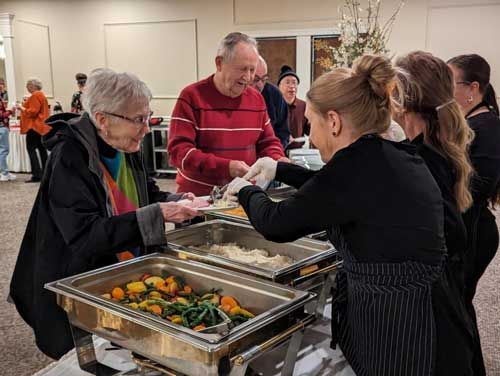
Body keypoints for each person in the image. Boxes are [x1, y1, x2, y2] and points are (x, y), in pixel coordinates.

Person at [225, 55, 476, 375]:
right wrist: (280, 169)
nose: (311, 136)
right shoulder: (381, 154)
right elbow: (331, 191)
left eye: (311, 124)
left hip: (403, 322)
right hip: (419, 306)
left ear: (333, 121)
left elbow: (276, 222)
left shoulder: (356, 165)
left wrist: (246, 191)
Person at [9, 68, 201, 360]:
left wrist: (179, 200)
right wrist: (158, 213)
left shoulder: (125, 144)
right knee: (87, 359)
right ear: (102, 119)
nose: (146, 128)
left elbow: (146, 195)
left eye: (147, 117)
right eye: (139, 119)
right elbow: (85, 236)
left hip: (119, 266)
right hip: (76, 279)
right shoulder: (69, 156)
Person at [395, 51, 484, 374]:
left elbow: (451, 231)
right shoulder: (432, 144)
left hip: (435, 295)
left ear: (401, 100)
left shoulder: (419, 159)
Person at [168, 32, 285, 196]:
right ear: (219, 63)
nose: (248, 77)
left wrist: (279, 160)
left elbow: (268, 141)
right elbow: (179, 152)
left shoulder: (257, 99)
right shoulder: (191, 97)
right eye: (242, 69)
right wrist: (226, 167)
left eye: (252, 70)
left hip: (242, 196)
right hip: (198, 199)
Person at [448, 53, 500, 370]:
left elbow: (477, 186)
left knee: (459, 308)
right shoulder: (470, 122)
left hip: (475, 233)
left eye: (450, 83)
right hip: (466, 228)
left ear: (472, 88)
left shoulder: (488, 126)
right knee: (458, 307)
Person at [250, 56, 290, 149]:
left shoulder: (274, 94)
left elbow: (283, 133)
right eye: (255, 80)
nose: (260, 85)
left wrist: (275, 153)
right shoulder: (234, 94)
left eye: (264, 79)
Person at [16, 78, 50, 182]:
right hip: (41, 126)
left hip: (34, 126)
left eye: (27, 85)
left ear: (32, 86)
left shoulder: (35, 95)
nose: (26, 87)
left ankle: (37, 175)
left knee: (31, 149)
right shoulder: (42, 95)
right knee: (42, 149)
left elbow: (33, 112)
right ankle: (46, 172)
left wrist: (21, 107)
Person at [277, 65, 310, 149]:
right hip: (278, 152)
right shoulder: (274, 106)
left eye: (294, 82)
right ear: (279, 86)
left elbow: (310, 131)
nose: (292, 86)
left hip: (298, 153)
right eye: (287, 82)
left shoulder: (304, 106)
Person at [0, 98, 14, 181]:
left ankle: (4, 172)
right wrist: (10, 111)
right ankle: (4, 173)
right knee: (3, 151)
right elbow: (1, 115)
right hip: (1, 127)